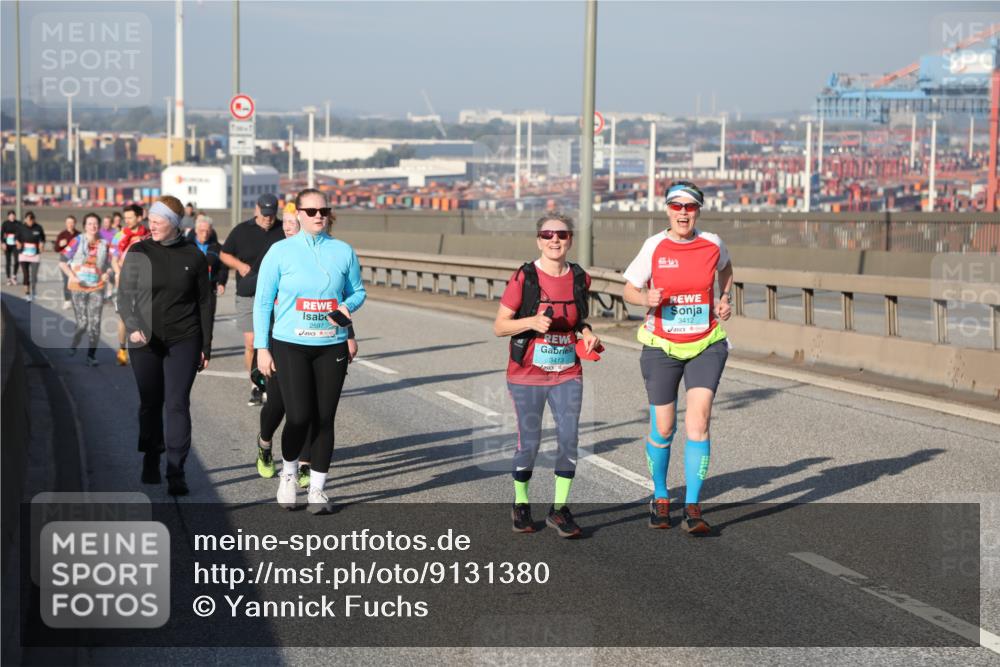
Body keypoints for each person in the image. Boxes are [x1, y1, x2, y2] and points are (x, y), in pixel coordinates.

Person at [622, 181, 734, 534]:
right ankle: (659, 495)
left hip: (706, 343)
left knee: (698, 422)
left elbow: (727, 270)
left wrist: (725, 298)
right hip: (661, 346)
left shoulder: (713, 243)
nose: (683, 213)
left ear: (698, 210)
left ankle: (694, 508)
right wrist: (645, 300)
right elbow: (628, 288)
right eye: (676, 206)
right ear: (667, 209)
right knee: (664, 427)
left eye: (690, 207)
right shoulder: (654, 245)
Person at [254, 188, 366, 514]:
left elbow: (358, 291)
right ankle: (288, 475)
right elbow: (263, 303)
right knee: (299, 415)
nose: (319, 216)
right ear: (299, 214)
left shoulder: (343, 251)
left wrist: (346, 306)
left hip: (330, 345)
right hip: (290, 344)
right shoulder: (280, 251)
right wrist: (263, 347)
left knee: (324, 418)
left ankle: (317, 489)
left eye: (324, 211)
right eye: (312, 211)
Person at [493, 212, 600, 539]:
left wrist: (587, 334)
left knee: (569, 439)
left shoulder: (580, 277)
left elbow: (578, 319)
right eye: (548, 234)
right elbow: (499, 326)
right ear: (539, 239)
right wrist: (530, 322)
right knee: (531, 442)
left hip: (567, 371)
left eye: (562, 234)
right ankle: (521, 503)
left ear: (570, 239)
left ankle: (559, 508)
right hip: (527, 374)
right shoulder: (525, 277)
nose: (555, 240)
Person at [117, 195, 213, 496]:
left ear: (174, 225)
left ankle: (176, 469)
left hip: (184, 337)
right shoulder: (138, 251)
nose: (152, 225)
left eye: (158, 222)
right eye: (151, 221)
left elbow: (205, 303)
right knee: (150, 402)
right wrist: (132, 327)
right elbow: (123, 296)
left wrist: (205, 345)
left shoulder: (193, 256)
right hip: (144, 340)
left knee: (177, 403)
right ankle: (151, 454)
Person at [220, 193, 283, 406]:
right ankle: (256, 384)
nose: (268, 218)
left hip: (275, 294)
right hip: (248, 292)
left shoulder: (283, 230)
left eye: (271, 214)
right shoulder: (241, 230)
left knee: (272, 341)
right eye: (264, 214)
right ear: (256, 210)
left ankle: (271, 383)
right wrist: (239, 266)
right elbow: (224, 254)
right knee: (251, 341)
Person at [59, 213, 114, 366]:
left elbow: (109, 265)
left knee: (95, 323)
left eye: (96, 223)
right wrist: (72, 276)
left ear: (99, 226)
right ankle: (75, 343)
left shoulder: (104, 244)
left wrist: (107, 273)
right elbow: (62, 262)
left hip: (97, 287)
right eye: (90, 223)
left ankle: (91, 356)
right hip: (78, 287)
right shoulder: (77, 240)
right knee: (82, 323)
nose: (93, 226)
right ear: (84, 226)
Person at [112, 204, 150, 366]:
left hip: (144, 281)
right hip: (125, 280)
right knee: (124, 315)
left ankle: (145, 346)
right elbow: (113, 258)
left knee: (145, 313)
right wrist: (118, 272)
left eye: (130, 217)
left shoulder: (148, 235)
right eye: (125, 217)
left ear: (139, 218)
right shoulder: (119, 236)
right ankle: (122, 349)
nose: (127, 220)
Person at [193, 216, 228, 322]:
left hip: (210, 288)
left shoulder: (217, 247)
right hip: (191, 289)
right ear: (196, 230)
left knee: (208, 320)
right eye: (202, 231)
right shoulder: (188, 246)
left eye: (208, 231)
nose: (205, 234)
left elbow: (223, 267)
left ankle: (207, 339)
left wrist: (221, 282)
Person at [16, 212, 45, 302]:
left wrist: (41, 245)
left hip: (35, 254)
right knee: (26, 275)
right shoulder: (20, 227)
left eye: (32, 219)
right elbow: (16, 238)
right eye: (28, 219)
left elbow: (42, 238)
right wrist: (18, 243)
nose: (30, 221)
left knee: (34, 276)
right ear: (25, 219)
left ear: (34, 219)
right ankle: (27, 294)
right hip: (23, 254)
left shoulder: (38, 227)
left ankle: (34, 291)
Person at [55, 215, 80, 309]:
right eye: (68, 222)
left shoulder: (79, 235)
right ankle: (67, 300)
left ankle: (76, 300)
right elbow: (56, 249)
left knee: (77, 280)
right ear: (66, 223)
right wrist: (60, 245)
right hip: (64, 261)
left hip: (76, 261)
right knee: (67, 281)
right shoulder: (62, 234)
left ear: (75, 223)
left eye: (72, 222)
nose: (70, 224)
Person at [3, 210, 22, 286]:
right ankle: (8, 278)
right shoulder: (5, 224)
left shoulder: (18, 223)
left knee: (17, 260)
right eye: (10, 215)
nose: (12, 216)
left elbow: (21, 233)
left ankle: (14, 276)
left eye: (13, 215)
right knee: (8, 262)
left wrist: (20, 242)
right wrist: (2, 243)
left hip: (15, 244)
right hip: (7, 244)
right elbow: (2, 234)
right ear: (8, 216)